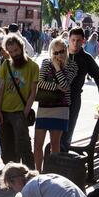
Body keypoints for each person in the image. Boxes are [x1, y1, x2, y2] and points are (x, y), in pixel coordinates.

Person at [0, 35, 39, 172]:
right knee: (6, 144)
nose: (14, 54)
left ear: (22, 48)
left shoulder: (33, 66)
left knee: (23, 145)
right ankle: (11, 173)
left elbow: (33, 92)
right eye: (11, 51)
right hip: (4, 111)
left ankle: (30, 174)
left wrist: (25, 111)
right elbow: (0, 88)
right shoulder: (6, 64)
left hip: (20, 112)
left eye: (16, 50)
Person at [35, 38, 77, 172]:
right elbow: (40, 83)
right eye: (56, 52)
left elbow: (66, 85)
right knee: (37, 144)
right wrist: (57, 86)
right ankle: (38, 172)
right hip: (45, 106)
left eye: (62, 51)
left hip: (61, 108)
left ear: (66, 49)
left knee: (55, 144)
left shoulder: (72, 65)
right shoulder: (46, 62)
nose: (59, 55)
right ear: (51, 52)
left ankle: (53, 173)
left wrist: (58, 67)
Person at [61, 28, 99, 150]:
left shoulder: (86, 58)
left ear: (83, 41)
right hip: (57, 99)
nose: (75, 44)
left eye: (78, 41)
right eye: (73, 40)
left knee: (68, 132)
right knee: (56, 132)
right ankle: (55, 157)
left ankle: (62, 158)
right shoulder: (60, 54)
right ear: (68, 40)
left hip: (74, 98)